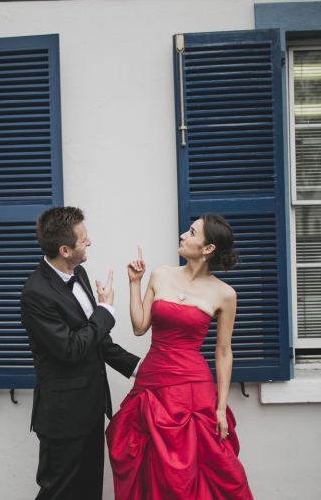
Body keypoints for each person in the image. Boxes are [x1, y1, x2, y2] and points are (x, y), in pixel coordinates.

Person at [106, 214, 254, 499]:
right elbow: (139, 327)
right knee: (148, 464)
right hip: (152, 383)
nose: (183, 236)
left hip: (193, 391)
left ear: (207, 248)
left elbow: (223, 352)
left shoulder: (225, 294)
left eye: (192, 232)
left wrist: (221, 408)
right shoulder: (161, 274)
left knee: (198, 469)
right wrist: (134, 283)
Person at [20, 206, 141, 500]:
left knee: (88, 492)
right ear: (64, 249)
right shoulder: (35, 293)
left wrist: (140, 367)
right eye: (83, 239)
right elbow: (71, 349)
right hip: (62, 417)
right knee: (58, 493)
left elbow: (95, 340)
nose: (90, 243)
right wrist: (105, 311)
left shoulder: (80, 273)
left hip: (91, 409)